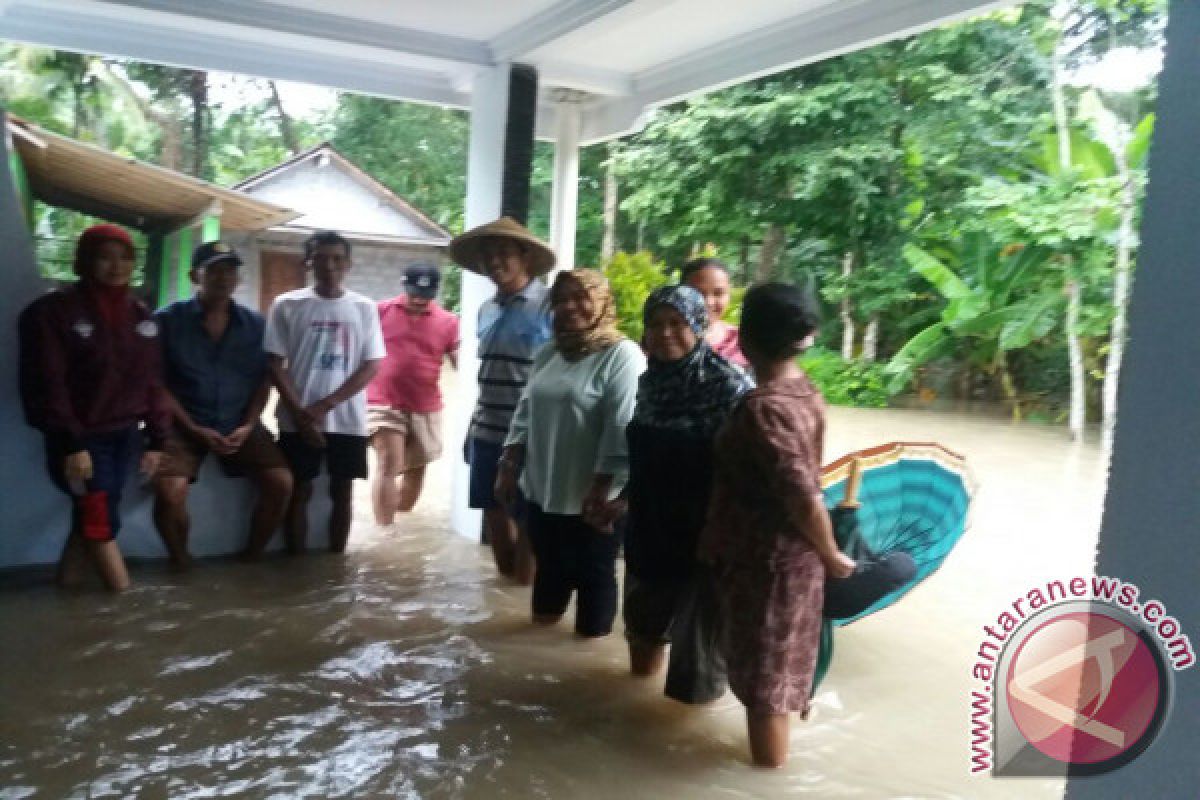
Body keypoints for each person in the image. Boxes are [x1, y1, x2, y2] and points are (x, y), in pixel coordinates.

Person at [698, 282, 856, 768]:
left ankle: (769, 776)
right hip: (788, 562)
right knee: (777, 676)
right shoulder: (804, 389)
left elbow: (803, 494)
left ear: (745, 337)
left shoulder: (765, 407)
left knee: (766, 688)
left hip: (768, 566)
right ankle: (771, 766)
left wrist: (831, 554)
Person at [17, 224, 169, 591]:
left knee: (90, 516)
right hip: (80, 438)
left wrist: (157, 440)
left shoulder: (140, 315)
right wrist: (72, 443)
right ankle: (123, 608)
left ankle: (67, 589)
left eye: (124, 258)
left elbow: (152, 380)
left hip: (124, 436)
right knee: (100, 522)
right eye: (104, 257)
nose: (115, 266)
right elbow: (47, 381)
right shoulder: (52, 312)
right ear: (84, 261)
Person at [495, 269, 645, 638]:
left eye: (581, 297)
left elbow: (621, 426)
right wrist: (508, 465)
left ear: (602, 301)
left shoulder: (622, 355)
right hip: (544, 490)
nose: (569, 307)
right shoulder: (550, 352)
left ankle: (586, 659)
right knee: (549, 571)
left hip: (595, 498)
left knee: (594, 575)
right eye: (560, 299)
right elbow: (524, 412)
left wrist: (601, 488)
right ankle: (543, 656)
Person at [622, 285, 752, 703]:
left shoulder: (731, 387)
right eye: (655, 324)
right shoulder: (648, 383)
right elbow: (644, 458)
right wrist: (620, 500)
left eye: (676, 323)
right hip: (649, 527)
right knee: (642, 637)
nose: (664, 334)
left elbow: (745, 473)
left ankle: (681, 748)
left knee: (695, 664)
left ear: (698, 325)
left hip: (706, 537)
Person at [152, 242, 294, 567]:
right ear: (194, 276)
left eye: (230, 270)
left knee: (281, 482)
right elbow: (156, 384)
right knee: (169, 491)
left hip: (239, 422)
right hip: (182, 424)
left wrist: (248, 424)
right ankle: (181, 560)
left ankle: (251, 559)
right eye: (213, 269)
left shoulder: (256, 325)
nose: (223, 277)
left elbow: (265, 379)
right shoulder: (167, 321)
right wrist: (192, 427)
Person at [265, 231, 385, 554]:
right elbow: (275, 364)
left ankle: (336, 567)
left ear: (348, 264)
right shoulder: (288, 305)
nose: (328, 265)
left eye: (336, 258)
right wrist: (301, 414)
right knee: (298, 490)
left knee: (342, 491)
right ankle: (296, 566)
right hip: (295, 418)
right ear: (308, 262)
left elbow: (371, 365)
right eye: (320, 258)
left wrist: (324, 406)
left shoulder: (364, 308)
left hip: (346, 420)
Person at [449, 217, 554, 585]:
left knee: (527, 517)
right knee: (492, 510)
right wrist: (470, 430)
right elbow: (486, 375)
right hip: (486, 427)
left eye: (504, 253)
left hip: (531, 432)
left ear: (525, 256)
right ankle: (506, 597)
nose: (495, 262)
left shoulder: (550, 305)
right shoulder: (486, 309)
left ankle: (523, 601)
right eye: (489, 256)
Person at [366, 262, 460, 524]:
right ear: (403, 286)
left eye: (427, 295)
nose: (419, 300)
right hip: (382, 403)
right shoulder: (379, 312)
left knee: (416, 471)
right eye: (414, 293)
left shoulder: (449, 321)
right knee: (389, 463)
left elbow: (460, 361)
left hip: (426, 406)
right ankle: (384, 533)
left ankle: (401, 525)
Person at [681, 258, 747, 367]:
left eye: (718, 293)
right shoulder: (665, 339)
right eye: (698, 293)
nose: (709, 302)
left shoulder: (742, 342)